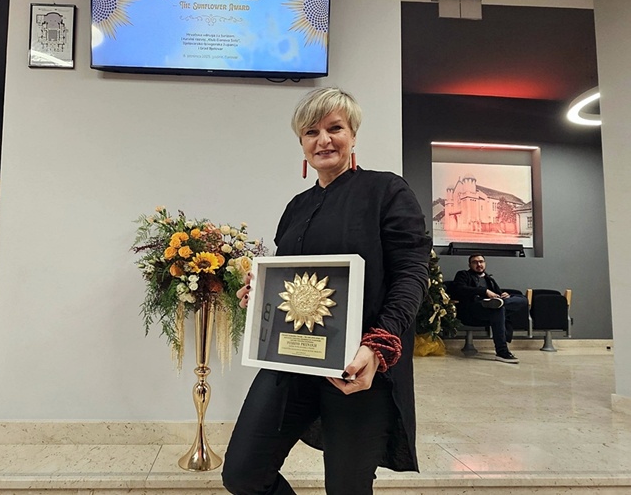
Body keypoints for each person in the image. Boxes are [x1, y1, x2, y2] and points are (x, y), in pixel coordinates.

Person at [221, 88, 431, 495]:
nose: (323, 140)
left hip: (358, 367)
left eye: (335, 128)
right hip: (290, 363)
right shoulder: (296, 207)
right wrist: (260, 292)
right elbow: (292, 282)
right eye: (311, 132)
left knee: (347, 489)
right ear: (301, 143)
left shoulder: (386, 191)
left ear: (353, 135)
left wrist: (378, 345)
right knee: (243, 474)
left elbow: (411, 274)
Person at [450, 254, 529, 364]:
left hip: (491, 310)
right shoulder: (463, 274)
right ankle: (502, 352)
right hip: (473, 309)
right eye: (475, 262)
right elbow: (460, 289)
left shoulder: (489, 279)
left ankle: (500, 303)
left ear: (485, 263)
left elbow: (497, 293)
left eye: (481, 261)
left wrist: (503, 295)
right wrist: (484, 291)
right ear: (469, 265)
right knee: (498, 309)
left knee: (522, 299)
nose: (479, 264)